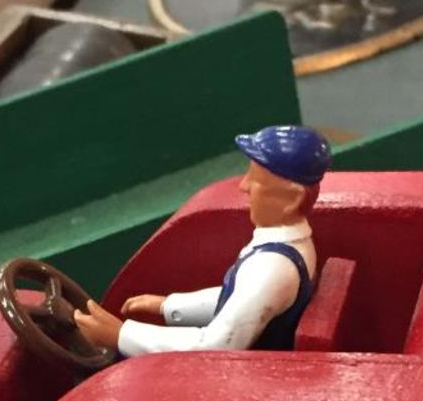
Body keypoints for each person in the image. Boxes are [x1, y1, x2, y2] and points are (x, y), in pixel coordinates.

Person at [73, 125, 332, 358]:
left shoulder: (272, 268)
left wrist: (121, 335)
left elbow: (216, 345)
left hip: (241, 380)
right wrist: (169, 306)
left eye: (258, 182)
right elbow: (235, 300)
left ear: (292, 200)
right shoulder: (288, 249)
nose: (244, 186)